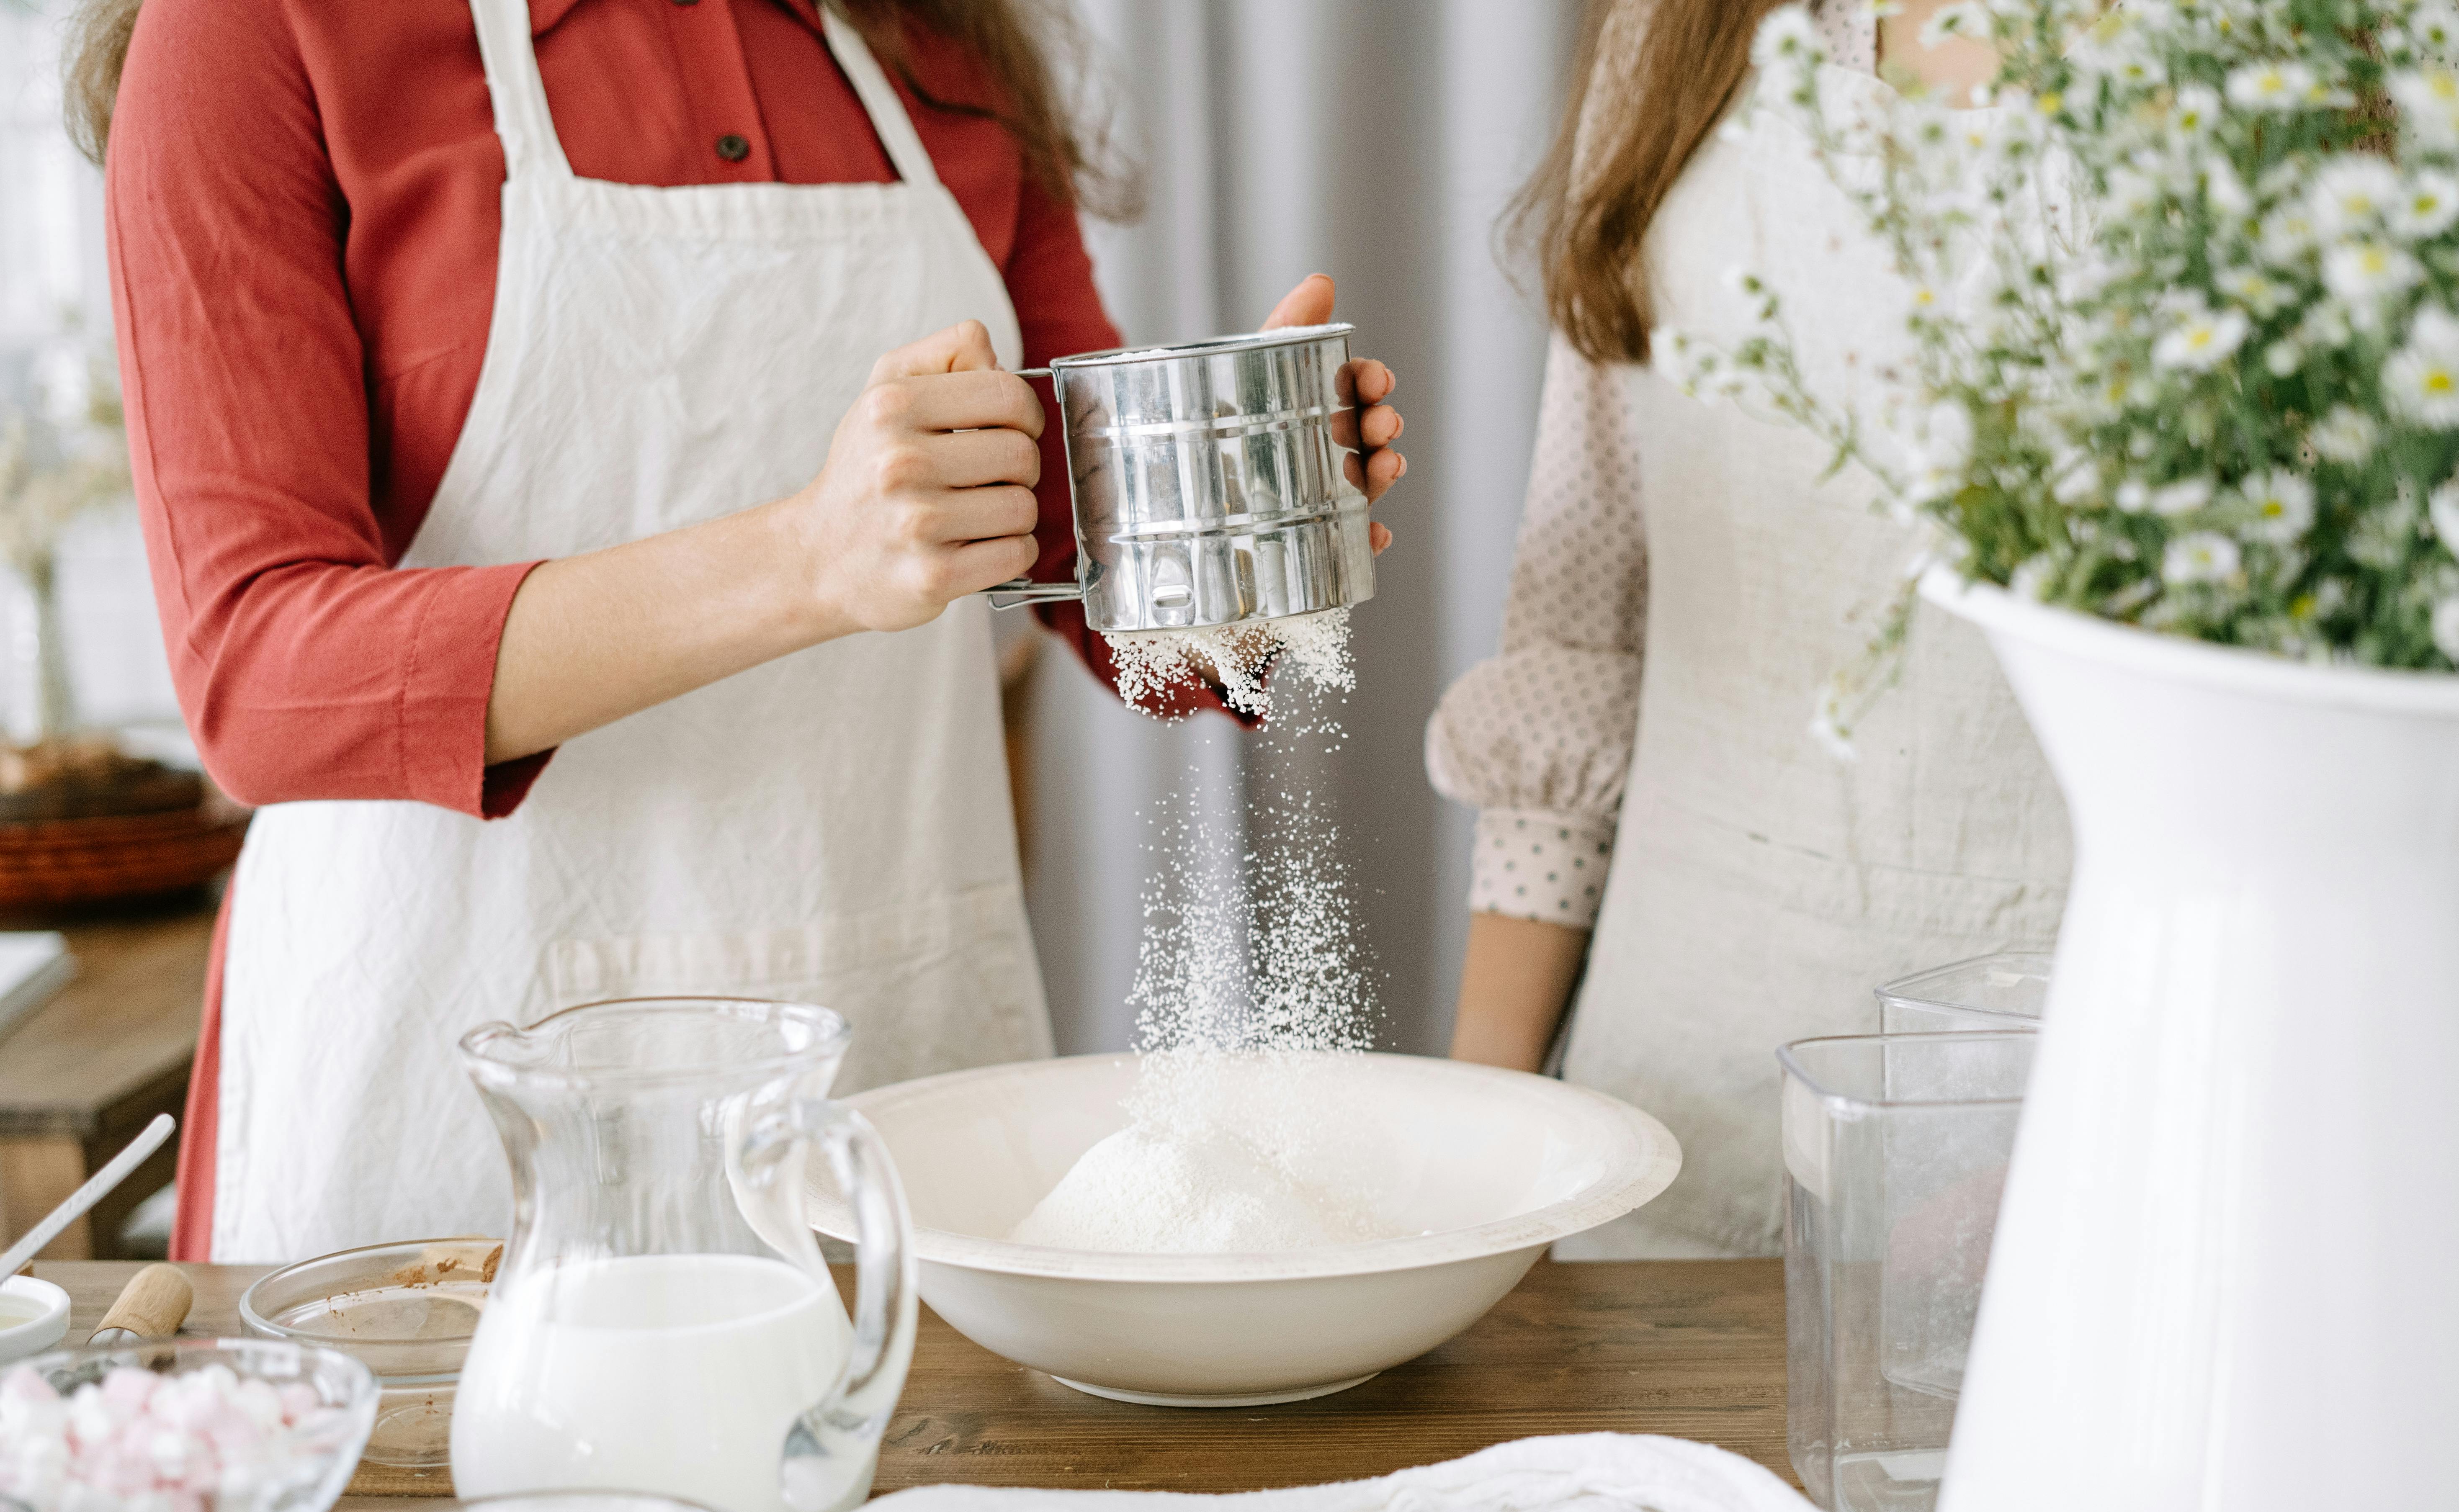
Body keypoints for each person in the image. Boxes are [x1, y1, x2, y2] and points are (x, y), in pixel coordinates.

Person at [72, 0, 1406, 1263]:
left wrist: (1255, 509)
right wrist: (803, 559)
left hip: (892, 1073)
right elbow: (258, 677)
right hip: (452, 1127)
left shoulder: (931, 41)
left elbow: (1101, 565)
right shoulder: (251, 32)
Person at [1426, 0, 2066, 1258]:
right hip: (1677, 1128)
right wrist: (1480, 1162)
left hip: (2081, 1108)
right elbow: (1581, 636)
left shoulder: (2310, 69)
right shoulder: (1678, 39)